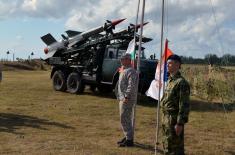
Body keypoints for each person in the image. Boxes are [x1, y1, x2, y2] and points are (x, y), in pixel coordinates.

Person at [160, 54, 190, 155]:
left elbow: (184, 104)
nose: (167, 66)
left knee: (176, 148)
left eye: (170, 63)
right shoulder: (170, 80)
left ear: (177, 65)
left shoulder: (181, 82)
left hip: (173, 119)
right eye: (167, 64)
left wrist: (180, 123)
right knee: (167, 143)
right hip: (166, 117)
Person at [115, 53, 138, 147]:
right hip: (122, 98)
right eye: (121, 59)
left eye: (124, 59)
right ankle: (127, 136)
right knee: (124, 118)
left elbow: (131, 85)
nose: (121, 60)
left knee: (125, 118)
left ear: (129, 60)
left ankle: (129, 140)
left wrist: (127, 96)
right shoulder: (124, 70)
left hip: (127, 99)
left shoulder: (131, 71)